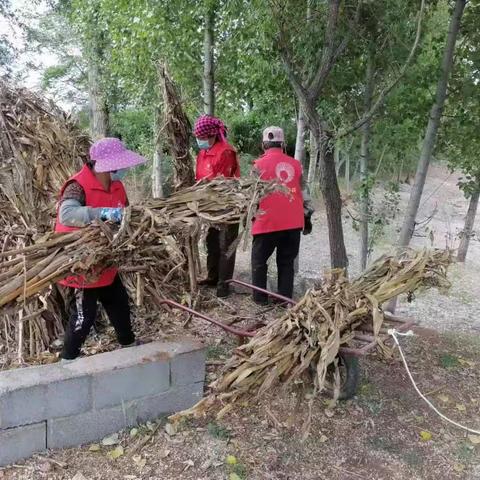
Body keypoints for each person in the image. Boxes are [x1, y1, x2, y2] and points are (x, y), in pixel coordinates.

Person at [55, 137, 146, 360]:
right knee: (83, 318)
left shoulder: (117, 185)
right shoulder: (77, 185)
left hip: (106, 260)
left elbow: (125, 213)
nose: (123, 169)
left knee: (119, 305)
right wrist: (104, 213)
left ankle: (127, 343)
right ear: (108, 165)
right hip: (83, 263)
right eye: (120, 165)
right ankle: (67, 360)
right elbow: (66, 214)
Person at [251, 126, 313, 305]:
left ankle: (260, 300)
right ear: (283, 144)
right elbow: (305, 194)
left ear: (264, 145)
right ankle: (284, 299)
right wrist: (307, 216)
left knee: (259, 262)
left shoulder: (257, 166)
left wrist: (251, 219)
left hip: (266, 223)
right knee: (286, 263)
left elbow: (252, 198)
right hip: (292, 224)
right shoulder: (296, 165)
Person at [194, 114, 241, 298]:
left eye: (202, 137)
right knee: (211, 243)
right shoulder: (202, 153)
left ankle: (224, 285)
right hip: (208, 205)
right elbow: (200, 179)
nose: (200, 141)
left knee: (226, 245)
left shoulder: (225, 152)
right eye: (198, 138)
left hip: (227, 205)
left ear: (212, 135)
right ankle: (212, 277)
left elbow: (224, 183)